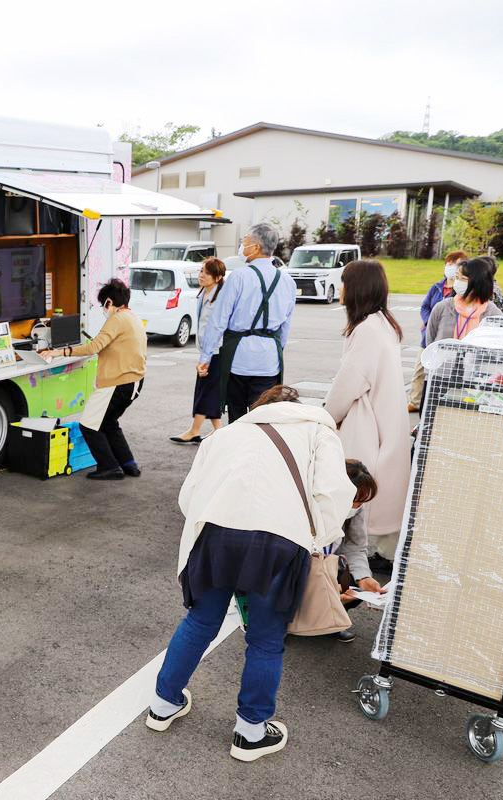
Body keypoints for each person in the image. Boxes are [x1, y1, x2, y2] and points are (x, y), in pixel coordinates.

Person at [145, 385, 354, 762]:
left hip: (215, 536)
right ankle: (250, 733)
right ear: (297, 408)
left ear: (260, 408)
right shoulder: (318, 431)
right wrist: (315, 538)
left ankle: (162, 705)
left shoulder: (226, 434)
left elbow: (188, 497)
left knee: (199, 622)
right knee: (265, 639)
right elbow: (332, 494)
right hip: (279, 542)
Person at [323, 260, 411, 564]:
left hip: (367, 424)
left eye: (345, 282)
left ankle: (353, 556)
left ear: (357, 288)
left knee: (355, 490)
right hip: (383, 420)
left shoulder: (367, 330)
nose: (341, 288)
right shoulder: (383, 323)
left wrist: (325, 417)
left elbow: (347, 385)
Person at [42, 278, 145, 479]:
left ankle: (109, 467)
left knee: (88, 424)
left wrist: (57, 352)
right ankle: (128, 464)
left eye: (102, 304)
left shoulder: (117, 319)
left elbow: (93, 347)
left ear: (109, 302)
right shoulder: (133, 317)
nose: (103, 309)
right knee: (108, 422)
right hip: (134, 381)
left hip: (117, 383)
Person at [197, 223, 295, 424]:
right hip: (269, 362)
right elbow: (285, 327)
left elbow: (218, 321)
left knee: (237, 418)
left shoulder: (239, 277)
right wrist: (275, 349)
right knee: (263, 419)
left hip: (239, 359)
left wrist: (206, 357)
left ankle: (239, 454)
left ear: (256, 247)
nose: (242, 245)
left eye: (245, 242)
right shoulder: (287, 281)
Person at [171, 257, 227, 444]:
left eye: (206, 272)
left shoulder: (221, 297)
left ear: (218, 277)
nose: (201, 275)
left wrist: (207, 357)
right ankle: (218, 430)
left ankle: (194, 431)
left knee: (205, 391)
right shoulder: (205, 292)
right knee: (209, 390)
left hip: (216, 351)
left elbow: (217, 328)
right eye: (201, 271)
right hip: (207, 349)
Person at [330, 459, 387, 642]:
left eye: (362, 501)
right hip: (300, 564)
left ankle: (332, 621)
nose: (358, 506)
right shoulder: (312, 504)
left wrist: (364, 578)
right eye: (355, 500)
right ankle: (285, 623)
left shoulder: (355, 510)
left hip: (326, 562)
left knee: (355, 582)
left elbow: (356, 546)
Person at [408, 252, 462, 411]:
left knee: (438, 374)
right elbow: (425, 307)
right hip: (428, 336)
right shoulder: (437, 287)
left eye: (455, 264)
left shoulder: (460, 290)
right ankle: (414, 401)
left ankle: (433, 404)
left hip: (446, 340)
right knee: (419, 370)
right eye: (449, 264)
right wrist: (428, 321)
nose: (450, 268)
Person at [425, 256, 502, 345]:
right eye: (457, 278)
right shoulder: (443, 307)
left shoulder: (492, 313)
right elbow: (430, 340)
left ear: (478, 283)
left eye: (463, 279)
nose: (458, 282)